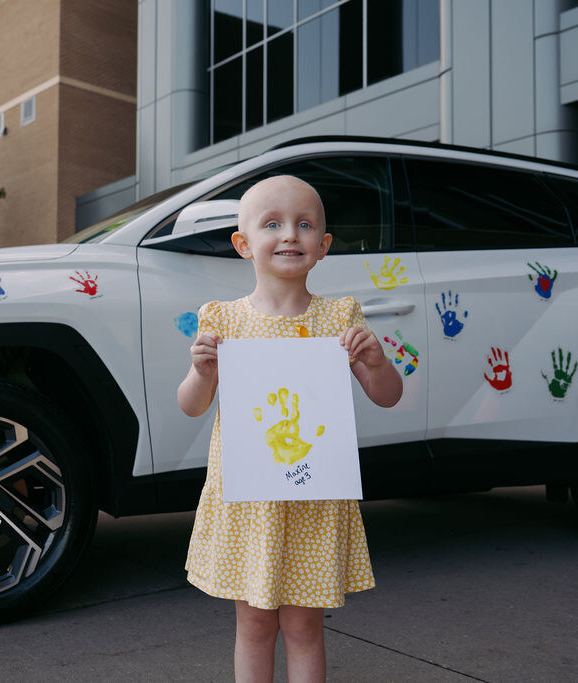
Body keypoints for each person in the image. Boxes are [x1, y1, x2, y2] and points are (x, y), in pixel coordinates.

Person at [177, 175, 403, 682]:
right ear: (243, 244)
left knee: (304, 630)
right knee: (253, 627)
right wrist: (201, 372)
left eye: (304, 225)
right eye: (272, 224)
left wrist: (377, 360)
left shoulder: (339, 318)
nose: (289, 236)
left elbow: (386, 395)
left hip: (314, 504)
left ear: (323, 246)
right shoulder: (222, 321)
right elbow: (191, 406)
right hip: (249, 505)